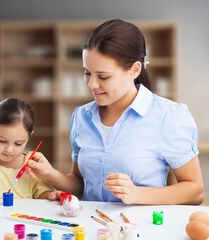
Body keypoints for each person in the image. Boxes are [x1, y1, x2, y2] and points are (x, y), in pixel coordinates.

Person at [26, 19, 204, 205]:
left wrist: (138, 194)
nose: (92, 84)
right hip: (92, 228)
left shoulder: (169, 116)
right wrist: (50, 174)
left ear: (134, 69)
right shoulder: (82, 117)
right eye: (87, 73)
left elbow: (195, 190)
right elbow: (80, 184)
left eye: (103, 76)